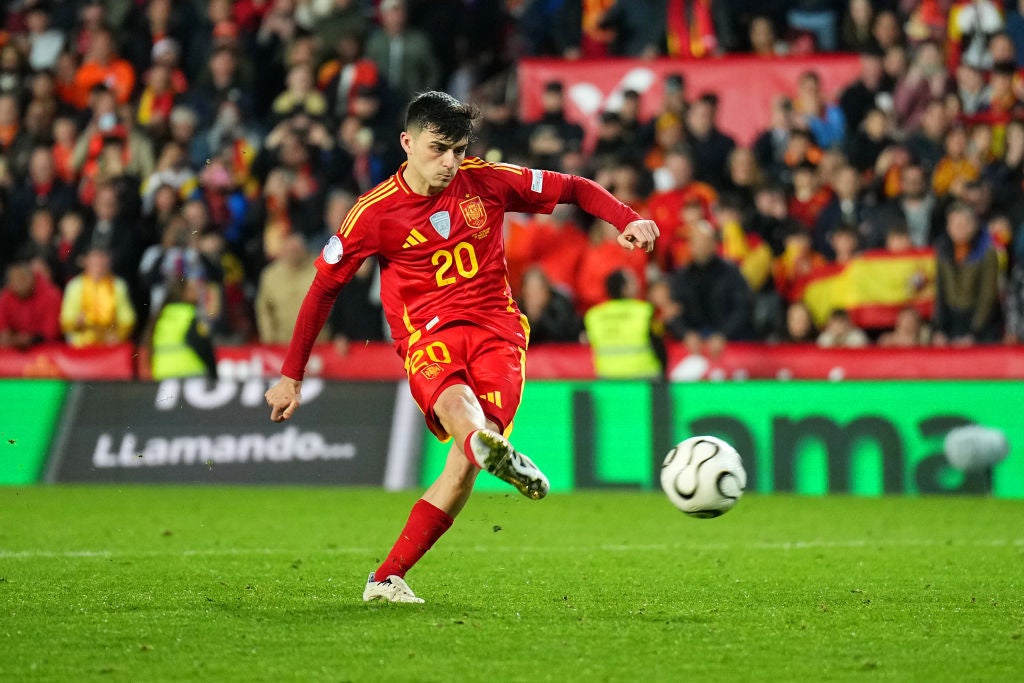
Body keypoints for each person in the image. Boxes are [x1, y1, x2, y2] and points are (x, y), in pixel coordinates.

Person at [263, 91, 658, 603]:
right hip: (428, 335)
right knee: (460, 413)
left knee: (468, 460)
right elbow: (323, 289)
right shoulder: (373, 213)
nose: (449, 162)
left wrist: (626, 218)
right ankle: (486, 448)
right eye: (438, 148)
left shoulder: (486, 180)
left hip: (499, 331)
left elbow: (573, 187)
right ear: (407, 143)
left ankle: (386, 577)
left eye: (458, 149)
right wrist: (291, 374)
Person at [583, 268, 663, 379]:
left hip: (607, 377)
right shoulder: (645, 311)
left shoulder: (593, 315)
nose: (638, 284)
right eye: (633, 281)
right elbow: (658, 345)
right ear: (624, 289)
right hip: (644, 376)